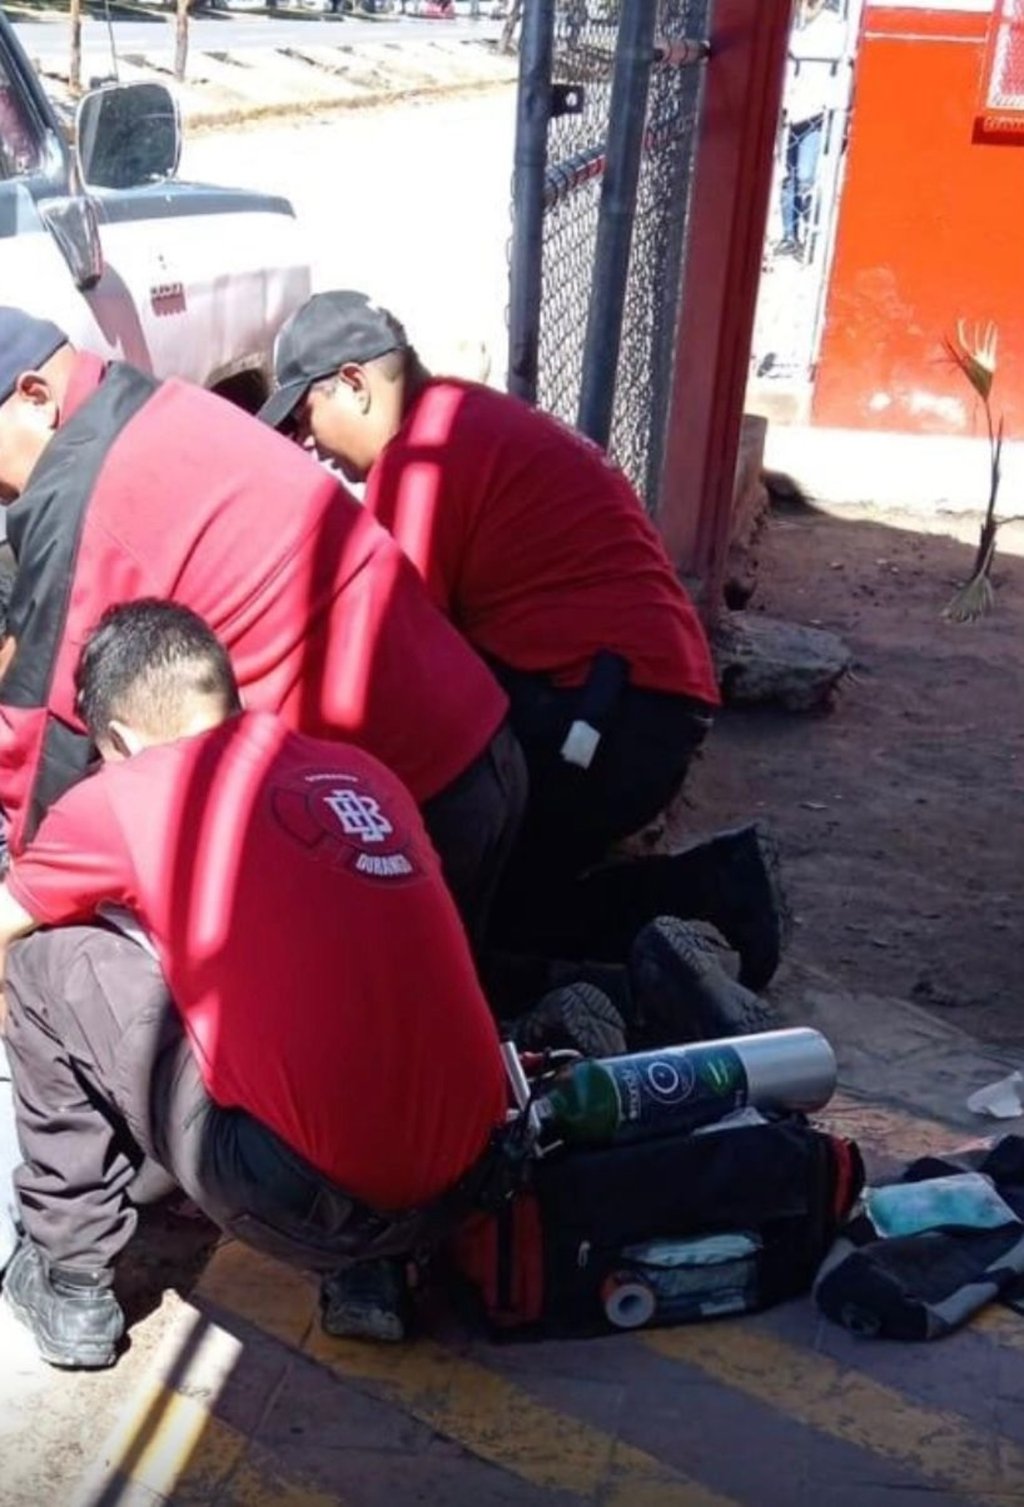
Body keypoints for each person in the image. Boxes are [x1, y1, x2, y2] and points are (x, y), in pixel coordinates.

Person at [0, 601, 510, 1368]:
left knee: (45, 964)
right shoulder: (358, 774)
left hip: (299, 1195)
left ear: (121, 739)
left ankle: (69, 1279)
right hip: (467, 1179)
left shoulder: (126, 794)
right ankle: (369, 1274)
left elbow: (7, 924)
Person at [259, 290, 788, 999]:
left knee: (483, 913)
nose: (308, 443)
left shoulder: (420, 465)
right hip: (638, 696)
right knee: (511, 888)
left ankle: (719, 900)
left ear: (354, 384)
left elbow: (401, 661)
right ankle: (714, 895)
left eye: (305, 416)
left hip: (613, 712)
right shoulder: (461, 416)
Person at [0, 305, 526, 953]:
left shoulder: (75, 488)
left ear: (35, 397)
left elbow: (44, 738)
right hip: (474, 743)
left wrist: (28, 888)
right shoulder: (155, 405)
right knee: (461, 988)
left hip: (401, 808)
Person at [774, 0, 849, 261]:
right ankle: (789, 236)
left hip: (814, 110)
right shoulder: (791, 22)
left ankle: (807, 227)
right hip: (789, 109)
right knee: (788, 175)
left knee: (805, 175)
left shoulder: (832, 25)